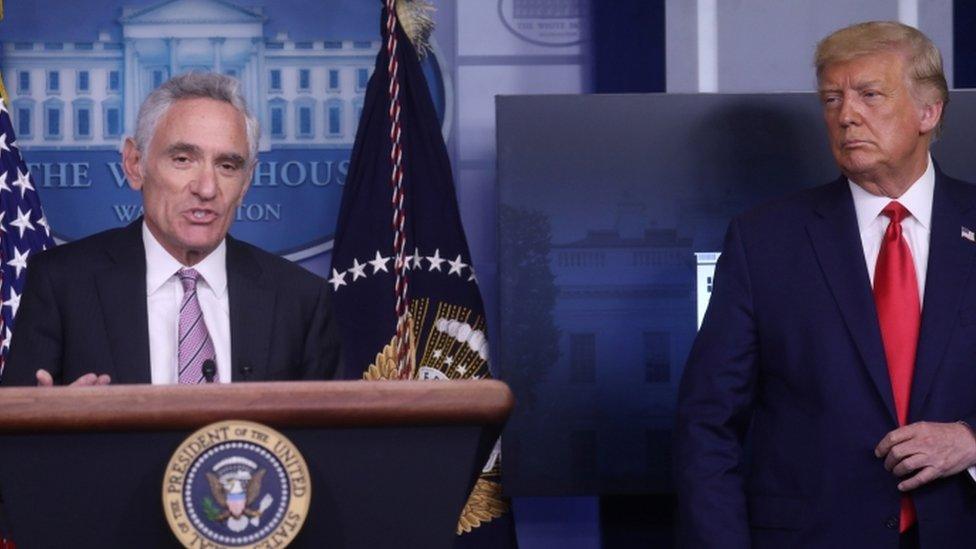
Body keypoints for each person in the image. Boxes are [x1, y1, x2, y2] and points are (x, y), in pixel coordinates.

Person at [675, 21, 976, 549]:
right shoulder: (763, 240)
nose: (846, 115)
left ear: (929, 112)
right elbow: (707, 422)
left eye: (869, 95)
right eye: (832, 98)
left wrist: (971, 439)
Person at [0, 72, 341, 386]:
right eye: (183, 159)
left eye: (227, 165)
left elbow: (327, 446)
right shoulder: (62, 283)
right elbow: (15, 443)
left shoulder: (301, 300)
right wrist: (56, 429)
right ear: (135, 164)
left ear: (246, 181)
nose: (207, 188)